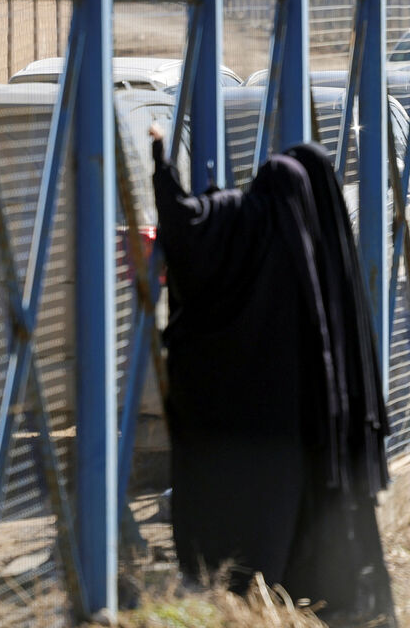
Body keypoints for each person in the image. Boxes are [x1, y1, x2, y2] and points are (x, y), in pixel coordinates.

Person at [153, 129, 394, 625]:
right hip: (309, 431)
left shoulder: (255, 225)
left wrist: (164, 171)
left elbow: (191, 227)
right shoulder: (328, 262)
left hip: (252, 429)